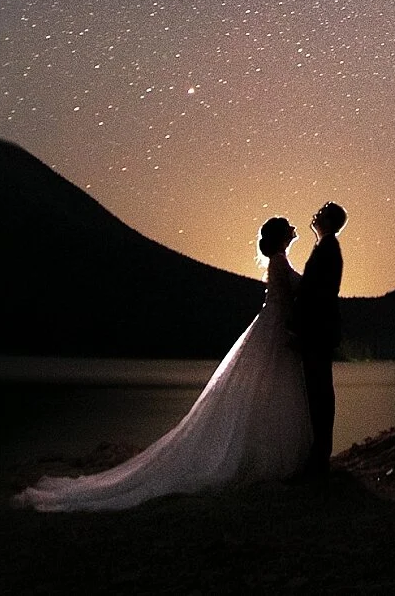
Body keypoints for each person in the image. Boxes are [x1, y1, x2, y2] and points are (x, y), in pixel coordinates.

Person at [19, 216, 313, 511]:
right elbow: (288, 300)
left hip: (272, 328)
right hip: (275, 330)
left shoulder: (279, 261)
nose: (292, 228)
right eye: (287, 225)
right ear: (279, 237)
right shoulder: (278, 262)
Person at [296, 201, 346, 475]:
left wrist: (300, 324)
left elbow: (317, 293)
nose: (315, 214)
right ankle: (318, 455)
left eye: (321, 212)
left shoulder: (328, 248)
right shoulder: (325, 246)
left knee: (319, 392)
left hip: (317, 331)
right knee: (318, 391)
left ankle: (319, 459)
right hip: (318, 330)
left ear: (328, 221)